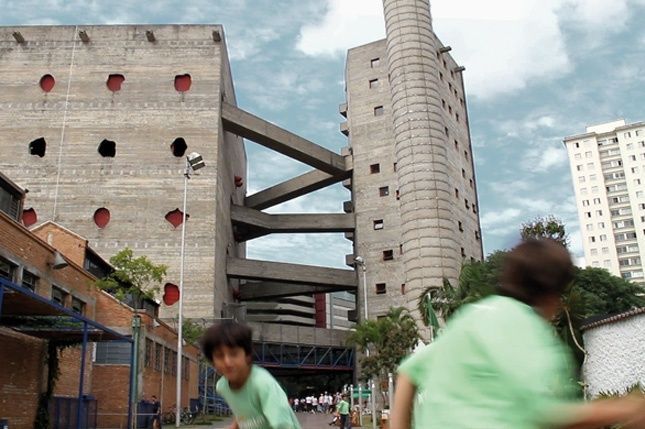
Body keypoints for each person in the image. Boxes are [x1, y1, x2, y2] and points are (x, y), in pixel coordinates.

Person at [391, 239, 645, 429]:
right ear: (553, 294)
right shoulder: (525, 328)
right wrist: (625, 409)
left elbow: (407, 374)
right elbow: (542, 414)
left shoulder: (471, 318)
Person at [201, 321, 301, 429]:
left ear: (247, 355)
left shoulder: (263, 384)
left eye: (234, 354)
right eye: (220, 356)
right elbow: (241, 411)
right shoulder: (222, 387)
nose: (227, 362)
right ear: (213, 362)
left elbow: (284, 425)